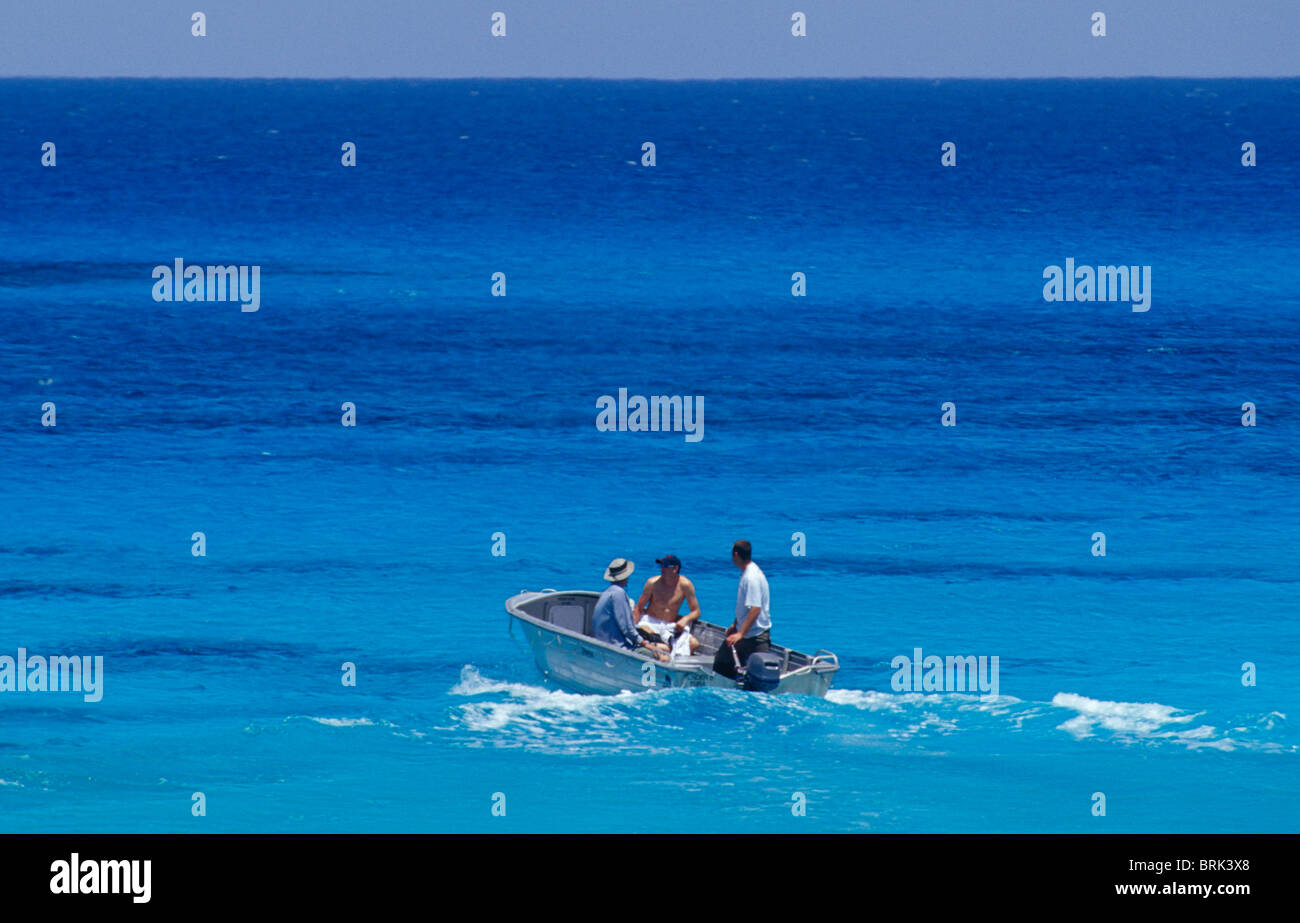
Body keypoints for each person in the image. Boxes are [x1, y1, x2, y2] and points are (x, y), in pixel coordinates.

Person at [713, 540, 771, 679]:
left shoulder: (751, 578)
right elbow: (745, 606)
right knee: (721, 664)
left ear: (736, 555)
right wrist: (735, 625)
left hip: (755, 637)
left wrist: (740, 634)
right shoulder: (747, 572)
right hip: (743, 631)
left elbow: (755, 609)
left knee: (759, 677)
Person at [591, 557, 668, 661]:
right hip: (619, 648)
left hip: (604, 643)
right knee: (664, 657)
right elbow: (627, 629)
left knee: (663, 647)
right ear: (626, 575)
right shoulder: (619, 593)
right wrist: (646, 644)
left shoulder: (606, 592)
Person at [632, 554, 702, 655]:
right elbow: (639, 608)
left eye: (665, 566)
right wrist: (633, 628)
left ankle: (667, 653)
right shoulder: (652, 583)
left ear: (675, 569)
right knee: (647, 632)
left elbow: (696, 611)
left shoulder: (685, 585)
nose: (662, 569)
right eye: (661, 566)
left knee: (694, 643)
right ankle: (664, 650)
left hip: (669, 626)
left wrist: (685, 619)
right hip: (650, 622)